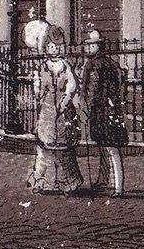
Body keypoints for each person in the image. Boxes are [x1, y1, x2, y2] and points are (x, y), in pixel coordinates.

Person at [28, 26, 83, 195]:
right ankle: (40, 181)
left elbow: (72, 85)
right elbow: (38, 87)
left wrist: (66, 100)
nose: (55, 49)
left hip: (63, 111)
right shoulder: (43, 67)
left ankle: (68, 183)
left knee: (64, 150)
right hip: (47, 110)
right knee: (44, 148)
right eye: (52, 46)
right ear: (46, 47)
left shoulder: (65, 66)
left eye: (58, 46)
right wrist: (37, 90)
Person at [79, 31, 127, 197]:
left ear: (97, 46)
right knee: (106, 149)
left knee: (111, 149)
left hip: (102, 112)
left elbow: (93, 89)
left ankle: (117, 187)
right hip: (110, 110)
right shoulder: (109, 63)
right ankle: (105, 181)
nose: (89, 47)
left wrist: (86, 109)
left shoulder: (95, 65)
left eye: (92, 45)